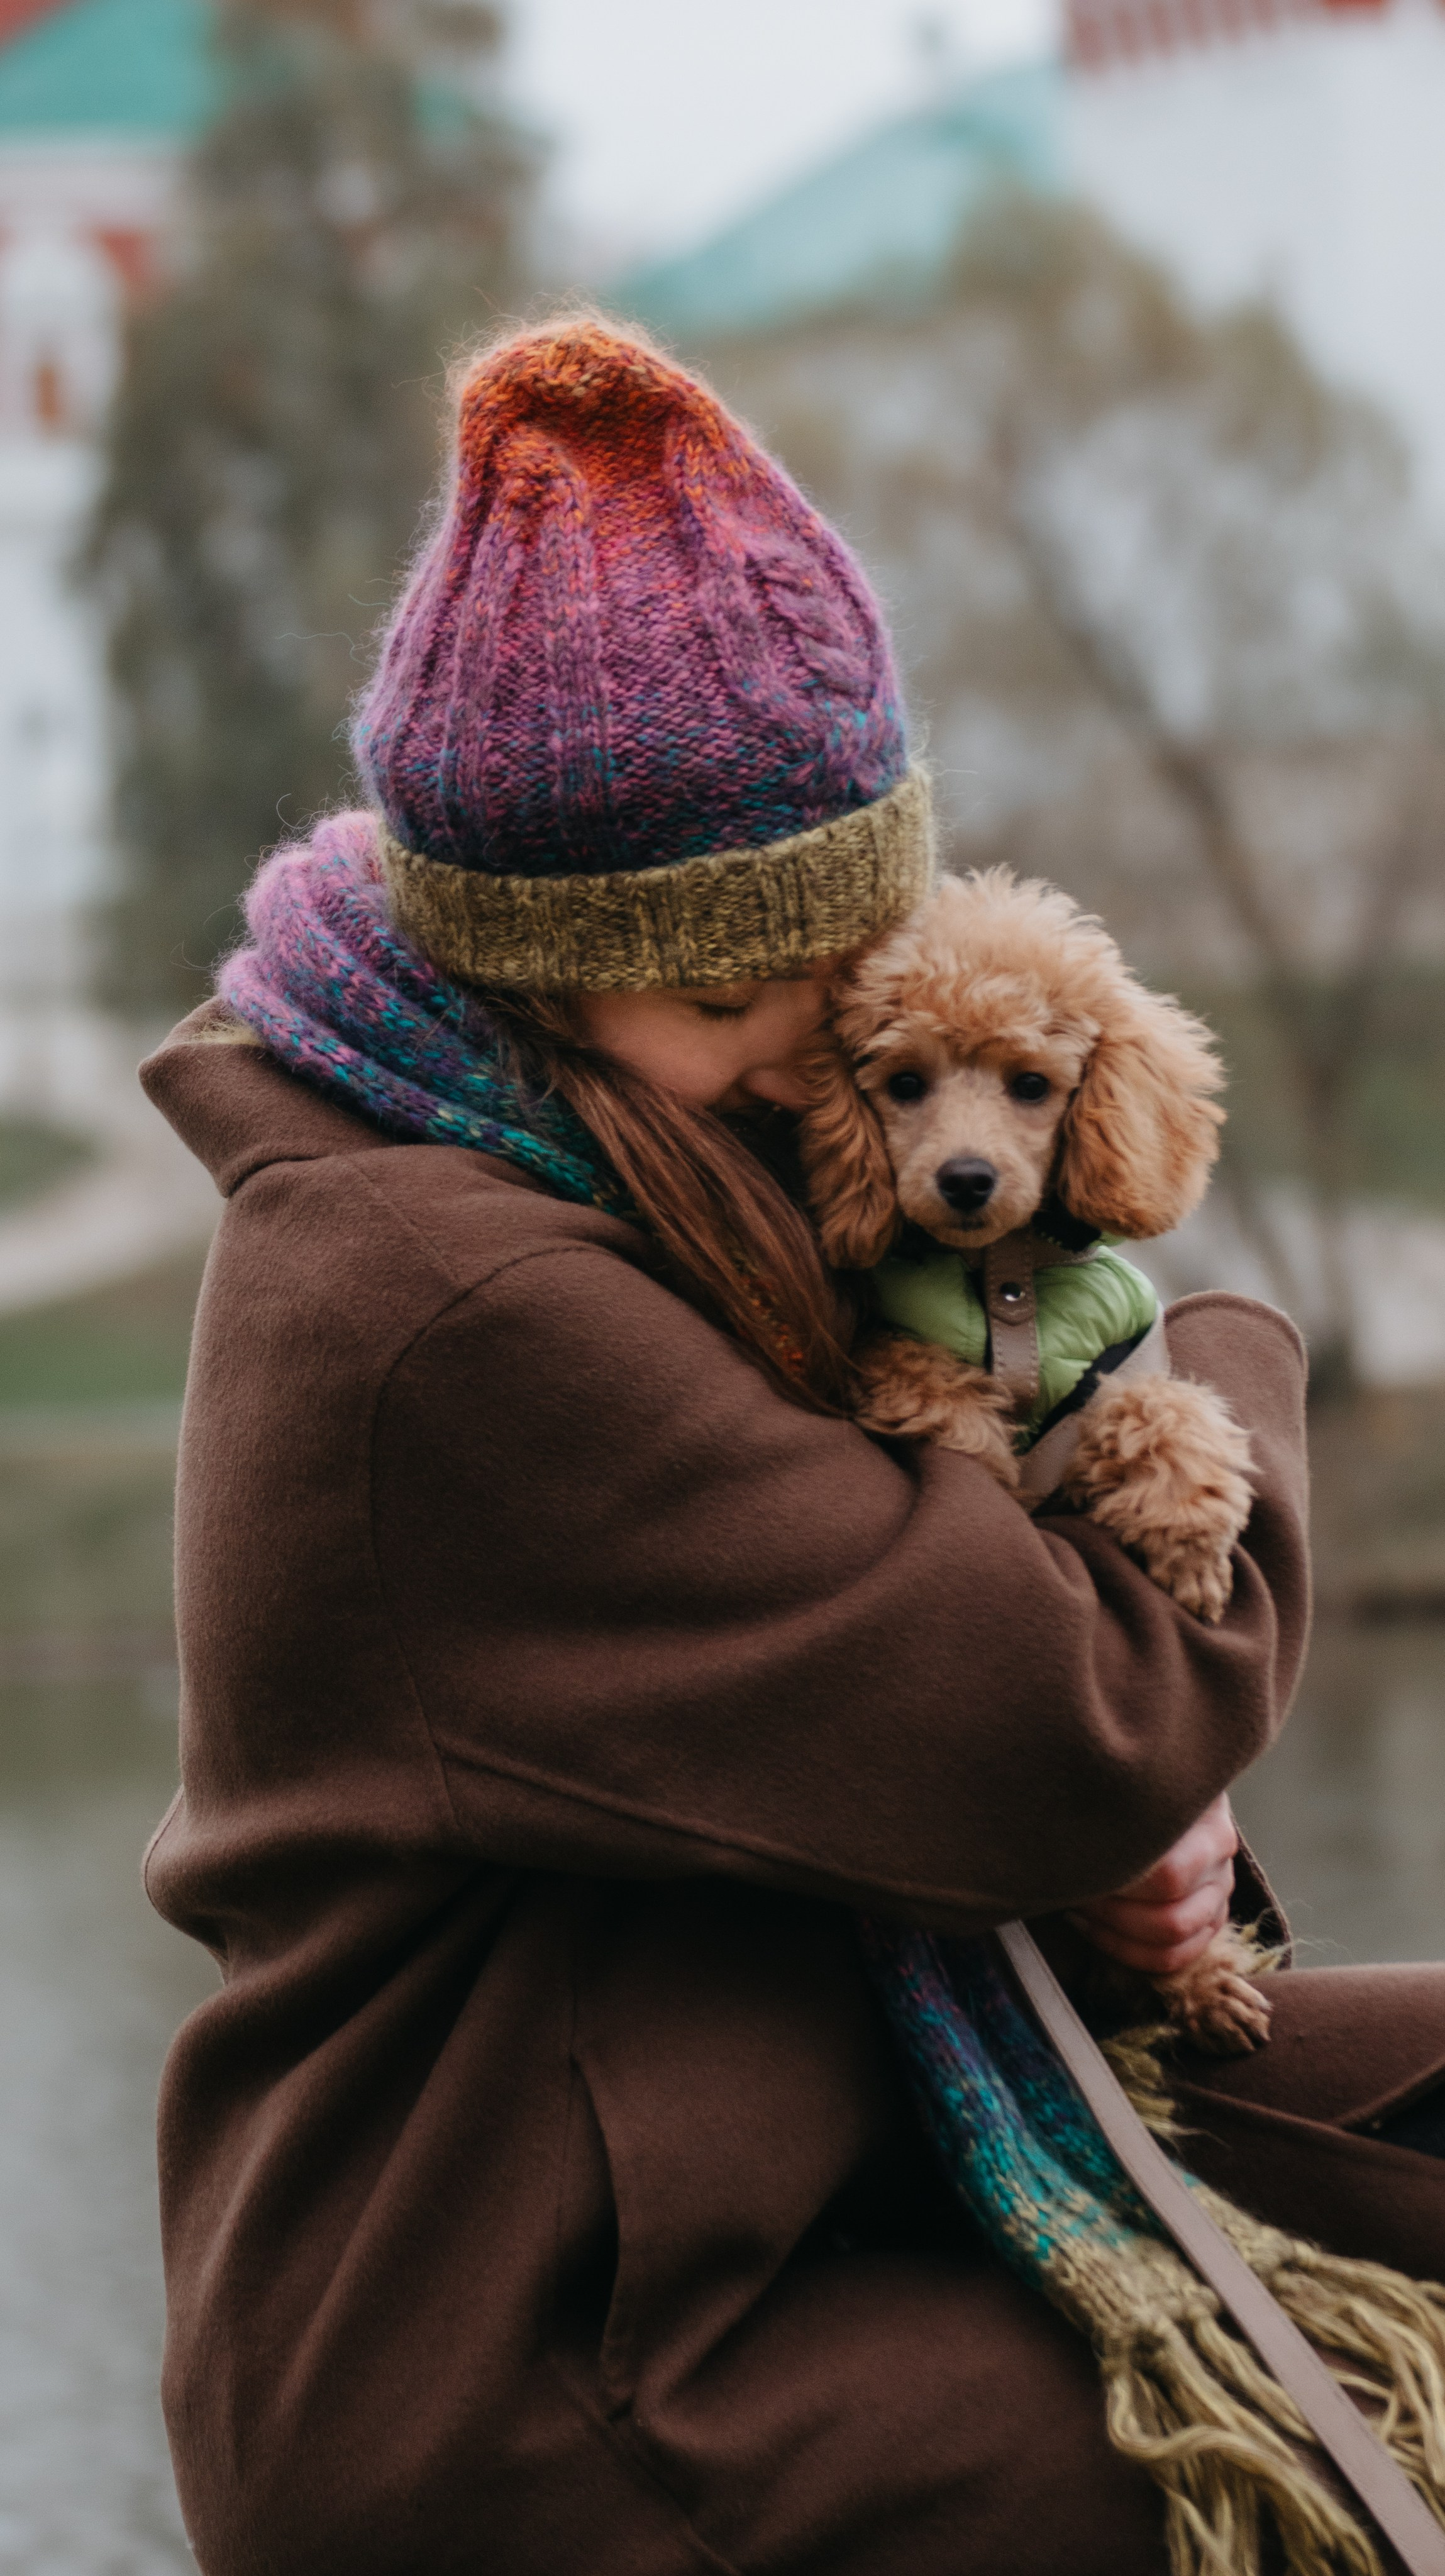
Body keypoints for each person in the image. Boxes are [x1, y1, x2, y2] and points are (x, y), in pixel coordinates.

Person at [140, 319, 1445, 2576]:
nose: (799, 1053)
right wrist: (1213, 1348)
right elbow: (1061, 1716)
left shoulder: (600, 1167)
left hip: (789, 2165)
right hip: (533, 2368)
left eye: (831, 974)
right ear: (541, 966)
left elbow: (952, 1706)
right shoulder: (450, 1302)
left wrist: (1118, 1860)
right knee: (1363, 2463)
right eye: (729, 996)